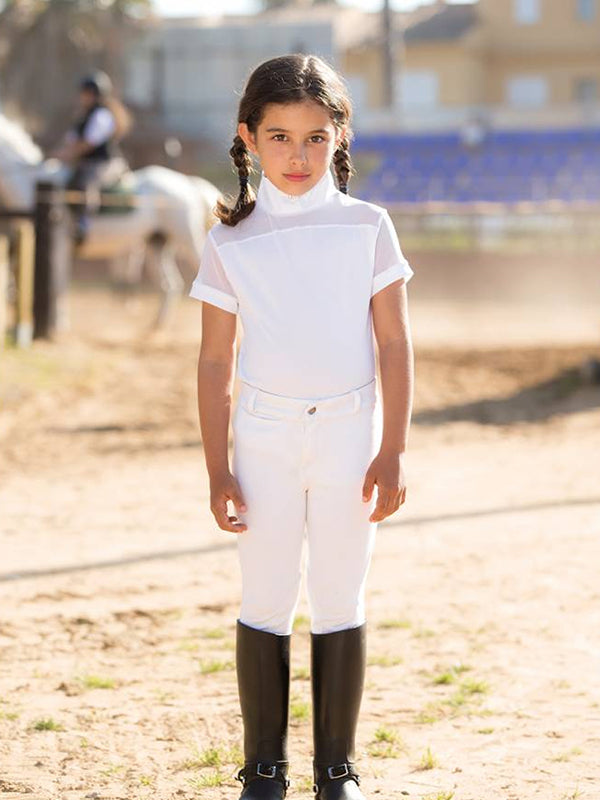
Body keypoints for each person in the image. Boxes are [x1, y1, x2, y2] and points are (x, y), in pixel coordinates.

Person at [189, 54, 414, 800]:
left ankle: (336, 769)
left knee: (341, 594)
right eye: (279, 136)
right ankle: (263, 769)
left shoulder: (368, 228)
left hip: (352, 436)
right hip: (263, 440)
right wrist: (218, 468)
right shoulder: (229, 243)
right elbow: (217, 362)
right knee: (265, 596)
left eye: (316, 137)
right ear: (249, 138)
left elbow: (392, 344)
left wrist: (393, 448)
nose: (297, 154)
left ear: (338, 137)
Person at [52, 70, 131, 245]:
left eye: (86, 93)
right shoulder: (83, 116)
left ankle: (83, 223)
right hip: (88, 162)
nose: (83, 97)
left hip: (106, 163)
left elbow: (88, 143)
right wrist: (57, 154)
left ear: (96, 95)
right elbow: (71, 140)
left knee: (85, 181)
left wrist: (67, 154)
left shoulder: (102, 116)